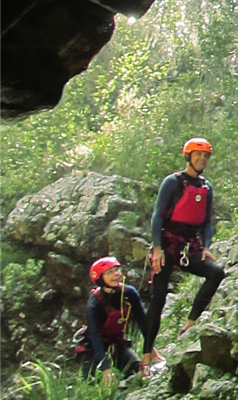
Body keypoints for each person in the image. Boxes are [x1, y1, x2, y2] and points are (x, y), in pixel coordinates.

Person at [142, 138, 225, 374]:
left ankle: (190, 322)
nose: (202, 160)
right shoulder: (172, 182)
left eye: (206, 156)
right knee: (158, 299)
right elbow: (157, 216)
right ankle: (147, 355)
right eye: (198, 155)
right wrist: (157, 248)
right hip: (168, 244)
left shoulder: (206, 187)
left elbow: (207, 222)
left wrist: (207, 246)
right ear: (188, 157)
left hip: (190, 245)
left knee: (216, 273)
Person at [76, 257, 147, 386]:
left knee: (139, 370)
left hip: (116, 344)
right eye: (109, 272)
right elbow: (95, 336)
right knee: (90, 383)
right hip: (92, 348)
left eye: (117, 270)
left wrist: (150, 348)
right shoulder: (94, 305)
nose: (116, 274)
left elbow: (143, 321)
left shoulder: (130, 293)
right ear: (100, 278)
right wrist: (106, 369)